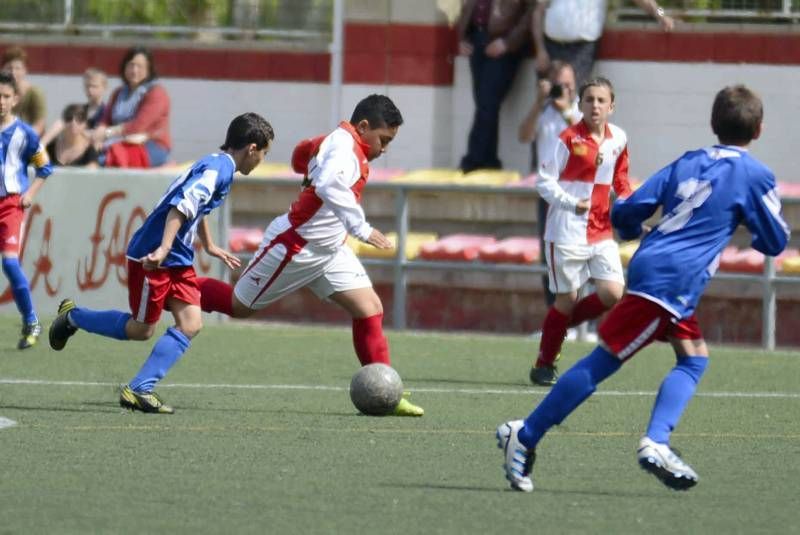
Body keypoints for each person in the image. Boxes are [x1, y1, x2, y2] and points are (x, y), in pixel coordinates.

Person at [497, 85, 790, 492]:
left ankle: (659, 440)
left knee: (693, 358)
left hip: (656, 270)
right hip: (671, 282)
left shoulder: (689, 160)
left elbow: (628, 210)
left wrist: (637, 229)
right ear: (758, 130)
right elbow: (775, 240)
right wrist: (750, 229)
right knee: (604, 361)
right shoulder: (754, 174)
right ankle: (526, 434)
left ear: (712, 124)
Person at [195, 94, 424, 417]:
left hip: (330, 250)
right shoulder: (344, 148)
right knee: (238, 306)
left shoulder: (338, 139)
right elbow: (329, 184)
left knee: (369, 308)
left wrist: (305, 165)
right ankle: (174, 285)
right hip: (296, 246)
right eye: (383, 139)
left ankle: (387, 392)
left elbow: (302, 153)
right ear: (363, 126)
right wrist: (360, 227)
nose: (384, 149)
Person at [48, 112, 274, 414]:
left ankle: (140, 388)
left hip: (177, 260)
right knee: (141, 329)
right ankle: (74, 316)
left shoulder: (219, 165)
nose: (261, 160)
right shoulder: (218, 171)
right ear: (252, 149)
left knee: (191, 323)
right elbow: (179, 208)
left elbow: (197, 208)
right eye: (264, 153)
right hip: (154, 257)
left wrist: (208, 245)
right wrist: (164, 248)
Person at [530, 77, 630, 386]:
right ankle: (544, 364)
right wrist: (571, 203)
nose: (595, 106)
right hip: (566, 231)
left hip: (601, 230)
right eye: (589, 100)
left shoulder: (619, 139)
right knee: (566, 300)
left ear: (611, 106)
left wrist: (631, 208)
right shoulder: (567, 138)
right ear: (580, 105)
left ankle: (554, 329)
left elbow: (621, 181)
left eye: (601, 101)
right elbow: (544, 181)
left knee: (613, 292)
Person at [518, 60, 580, 318]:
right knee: (549, 258)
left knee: (575, 256)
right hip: (548, 193)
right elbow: (523, 135)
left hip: (576, 194)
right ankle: (554, 318)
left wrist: (566, 110)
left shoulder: (580, 111)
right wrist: (538, 102)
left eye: (568, 84)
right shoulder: (543, 111)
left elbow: (585, 140)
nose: (564, 90)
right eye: (559, 85)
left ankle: (580, 323)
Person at [0, 72, 53, 349]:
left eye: (6, 96)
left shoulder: (25, 134)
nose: (1, 101)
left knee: (9, 263)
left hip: (10, 204)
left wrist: (30, 193)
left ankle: (31, 319)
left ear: (16, 99)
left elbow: (44, 167)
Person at [456, 0, 536, 172]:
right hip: (476, 37)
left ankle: (473, 161)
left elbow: (531, 12)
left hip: (503, 41)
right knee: (485, 105)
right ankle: (489, 162)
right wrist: (462, 37)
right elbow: (466, 7)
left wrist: (509, 42)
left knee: (487, 102)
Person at [532, 0, 674, 87]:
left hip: (581, 49)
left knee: (571, 102)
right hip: (550, 47)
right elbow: (538, 12)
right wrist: (540, 50)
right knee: (546, 101)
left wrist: (661, 14)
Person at [91, 46, 171, 168]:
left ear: (149, 69)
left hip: (150, 145)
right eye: (131, 65)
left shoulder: (156, 93)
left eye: (140, 66)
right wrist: (100, 132)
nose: (134, 70)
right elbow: (106, 119)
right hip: (117, 141)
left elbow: (138, 126)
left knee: (103, 160)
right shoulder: (118, 92)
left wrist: (107, 133)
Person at [41, 68, 107, 147]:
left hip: (93, 146)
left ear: (104, 87)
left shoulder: (107, 111)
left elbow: (99, 134)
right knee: (62, 122)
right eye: (87, 86)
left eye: (94, 86)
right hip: (76, 143)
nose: (89, 90)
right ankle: (40, 145)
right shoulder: (81, 109)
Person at [1, 46, 46, 136]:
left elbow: (39, 125)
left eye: (17, 68)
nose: (13, 72)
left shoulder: (34, 93)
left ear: (25, 71)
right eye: (9, 68)